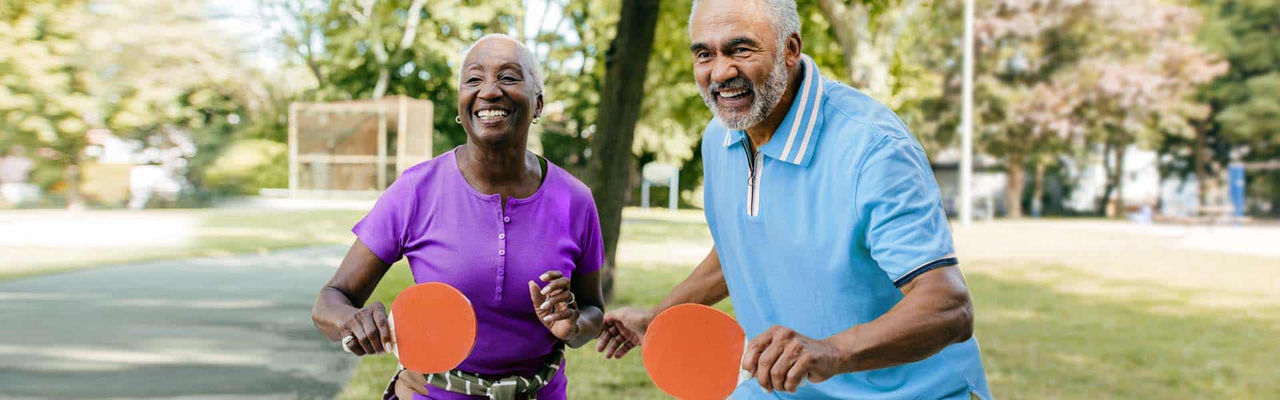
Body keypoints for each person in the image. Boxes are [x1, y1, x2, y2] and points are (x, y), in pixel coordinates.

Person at [596, 0, 993, 399]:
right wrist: (657, 318)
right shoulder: (720, 138)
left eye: (740, 49)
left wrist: (832, 351)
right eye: (704, 54)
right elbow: (741, 245)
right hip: (781, 389)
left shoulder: (874, 148)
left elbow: (949, 306)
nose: (720, 72)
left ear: (790, 48)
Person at [312, 34, 606, 400]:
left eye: (509, 77)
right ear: (461, 102)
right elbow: (331, 299)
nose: (489, 91)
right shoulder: (416, 190)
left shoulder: (575, 200)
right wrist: (351, 320)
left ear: (538, 103)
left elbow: (594, 309)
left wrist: (574, 325)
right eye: (474, 79)